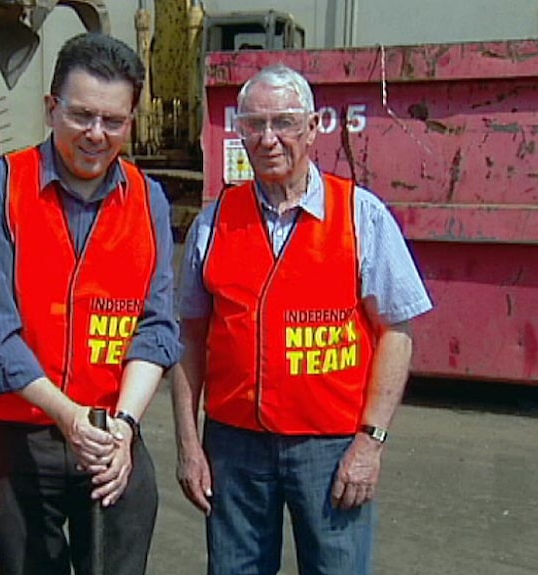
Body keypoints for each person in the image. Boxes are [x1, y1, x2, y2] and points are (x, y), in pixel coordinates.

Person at [172, 64, 433, 575]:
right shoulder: (213, 223)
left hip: (332, 450)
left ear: (313, 128)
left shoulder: (361, 216)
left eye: (285, 122)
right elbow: (189, 338)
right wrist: (187, 443)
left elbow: (396, 335)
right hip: (234, 447)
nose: (269, 139)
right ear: (239, 132)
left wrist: (371, 442)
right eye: (254, 124)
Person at [0, 32, 182, 575]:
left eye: (114, 121)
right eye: (82, 115)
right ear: (50, 108)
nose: (96, 135)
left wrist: (123, 425)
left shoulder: (147, 198)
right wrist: (67, 416)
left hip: (111, 429)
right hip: (17, 435)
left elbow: (156, 328)